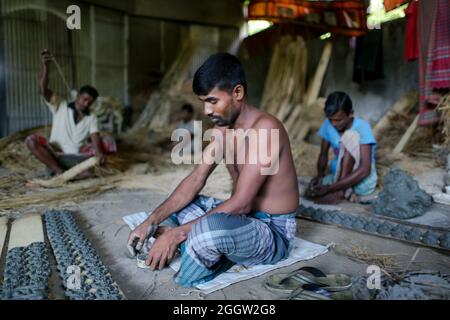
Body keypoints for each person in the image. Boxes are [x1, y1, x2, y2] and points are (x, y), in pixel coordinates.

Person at [127, 53, 299, 288]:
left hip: (271, 231)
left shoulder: (266, 129)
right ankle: (200, 242)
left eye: (212, 101)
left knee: (209, 229)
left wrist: (177, 234)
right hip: (241, 220)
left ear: (237, 93)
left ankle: (200, 248)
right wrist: (151, 220)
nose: (207, 110)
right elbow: (196, 179)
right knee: (182, 203)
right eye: (203, 102)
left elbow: (242, 204)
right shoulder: (221, 130)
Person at [25, 50, 115, 176]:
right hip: (55, 154)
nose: (86, 104)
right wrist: (46, 67)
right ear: (78, 96)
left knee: (105, 149)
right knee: (31, 141)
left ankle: (67, 173)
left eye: (90, 102)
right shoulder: (60, 105)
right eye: (85, 99)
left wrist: (99, 153)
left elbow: (95, 136)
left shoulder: (91, 116)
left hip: (76, 158)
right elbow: (43, 90)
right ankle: (60, 171)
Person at [307, 91, 378, 204]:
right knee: (315, 188)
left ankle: (340, 193)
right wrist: (319, 176)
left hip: (361, 180)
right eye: (331, 119)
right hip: (337, 177)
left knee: (349, 136)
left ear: (351, 113)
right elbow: (323, 154)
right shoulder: (328, 124)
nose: (334, 123)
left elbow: (365, 169)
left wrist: (331, 188)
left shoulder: (362, 127)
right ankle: (344, 191)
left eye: (338, 120)